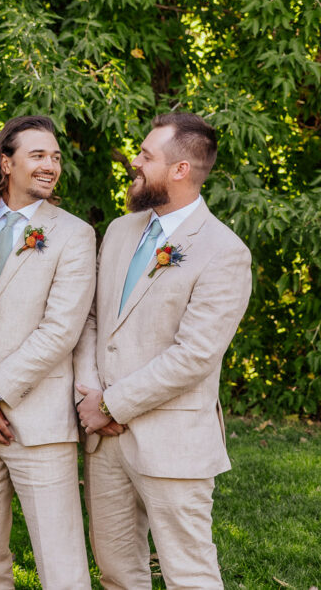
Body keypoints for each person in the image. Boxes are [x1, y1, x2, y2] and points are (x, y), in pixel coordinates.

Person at [75, 112, 252, 588]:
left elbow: (194, 355)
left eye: (147, 156)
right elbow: (93, 320)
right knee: (116, 572)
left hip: (173, 441)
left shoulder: (224, 251)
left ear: (180, 170)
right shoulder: (119, 231)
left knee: (188, 574)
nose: (135, 162)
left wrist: (112, 404)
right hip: (105, 441)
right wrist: (89, 395)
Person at [0, 115, 95, 589]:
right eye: (37, 155)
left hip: (39, 418)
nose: (50, 165)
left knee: (61, 563)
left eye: (55, 157)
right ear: (6, 162)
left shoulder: (74, 234)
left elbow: (61, 331)